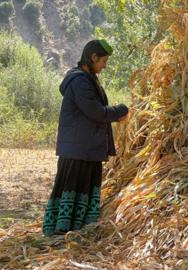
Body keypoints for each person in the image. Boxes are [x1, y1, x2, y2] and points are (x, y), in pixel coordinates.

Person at [42, 39, 129, 236]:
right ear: (93, 57)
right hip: (77, 150)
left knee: (82, 189)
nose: (104, 66)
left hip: (86, 148)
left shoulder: (89, 79)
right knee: (72, 188)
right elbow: (95, 112)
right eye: (103, 61)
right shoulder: (80, 81)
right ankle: (60, 232)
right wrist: (121, 109)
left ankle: (78, 231)